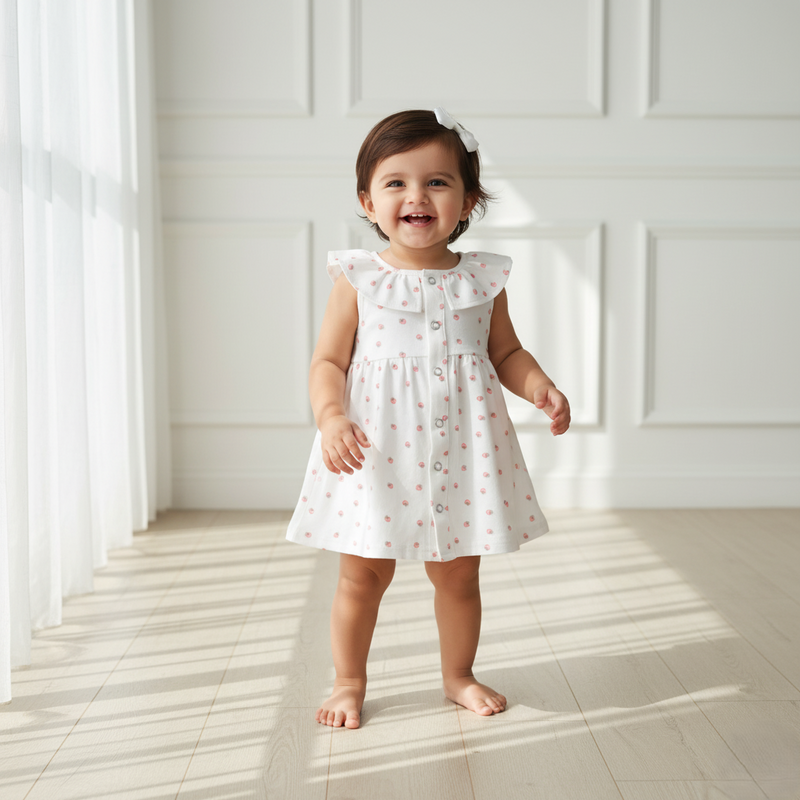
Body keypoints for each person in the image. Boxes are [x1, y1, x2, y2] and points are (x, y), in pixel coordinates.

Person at [285, 108, 570, 729]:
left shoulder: (481, 279)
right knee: (362, 575)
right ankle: (349, 680)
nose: (417, 196)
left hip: (459, 453)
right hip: (374, 451)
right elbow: (328, 360)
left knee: (459, 575)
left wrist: (539, 386)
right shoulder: (359, 278)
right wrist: (331, 416)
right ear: (368, 199)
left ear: (468, 201)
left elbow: (506, 354)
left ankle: (457, 674)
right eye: (396, 183)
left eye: (438, 182)